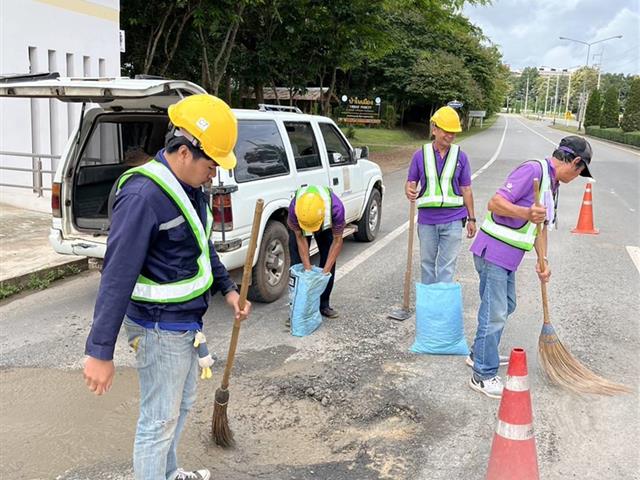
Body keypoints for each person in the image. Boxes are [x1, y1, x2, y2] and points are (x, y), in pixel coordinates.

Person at [83, 94, 250, 480]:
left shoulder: (190, 188)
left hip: (185, 325)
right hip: (158, 330)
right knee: (157, 422)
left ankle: (169, 473)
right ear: (185, 151)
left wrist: (227, 289)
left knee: (180, 406)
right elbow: (117, 276)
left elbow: (200, 241)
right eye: (212, 164)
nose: (215, 174)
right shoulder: (143, 196)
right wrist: (99, 352)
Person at [468, 135, 594, 398]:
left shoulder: (552, 183)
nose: (577, 177)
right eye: (580, 172)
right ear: (577, 162)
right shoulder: (533, 170)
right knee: (495, 312)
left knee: (506, 306)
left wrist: (542, 261)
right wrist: (525, 213)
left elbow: (541, 228)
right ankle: (482, 373)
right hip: (493, 252)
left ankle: (479, 351)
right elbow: (495, 203)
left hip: (508, 257)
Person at [405, 106, 477, 285]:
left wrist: (472, 219)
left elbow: (466, 189)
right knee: (427, 264)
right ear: (435, 129)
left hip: (453, 220)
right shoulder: (419, 155)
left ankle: (441, 308)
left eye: (454, 132)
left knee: (447, 267)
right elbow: (411, 181)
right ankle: (430, 306)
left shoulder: (461, 156)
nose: (451, 136)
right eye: (447, 131)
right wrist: (409, 189)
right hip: (427, 221)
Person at [287, 185, 346, 318]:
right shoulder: (295, 208)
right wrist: (307, 270)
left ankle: (323, 304)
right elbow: (299, 237)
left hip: (325, 226)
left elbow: (337, 241)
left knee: (328, 261)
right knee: (297, 265)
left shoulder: (336, 209)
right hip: (300, 225)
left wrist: (325, 272)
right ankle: (297, 310)